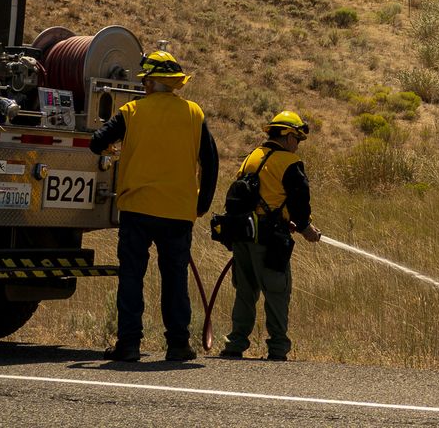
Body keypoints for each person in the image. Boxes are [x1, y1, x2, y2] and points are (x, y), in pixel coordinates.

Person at [88, 49, 218, 363]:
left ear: (149, 82)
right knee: (175, 279)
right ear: (174, 83)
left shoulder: (132, 111)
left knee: (132, 276)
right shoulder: (194, 113)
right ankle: (178, 345)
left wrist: (113, 144)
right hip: (178, 212)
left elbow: (97, 142)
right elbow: (211, 163)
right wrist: (201, 204)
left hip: (137, 209)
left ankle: (129, 345)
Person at [221, 110, 322, 361]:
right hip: (269, 239)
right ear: (288, 136)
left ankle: (235, 343)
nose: (297, 146)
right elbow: (300, 203)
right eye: (297, 139)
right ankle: (277, 347)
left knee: (245, 291)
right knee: (277, 291)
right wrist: (306, 228)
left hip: (242, 236)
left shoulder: (252, 157)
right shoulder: (289, 163)